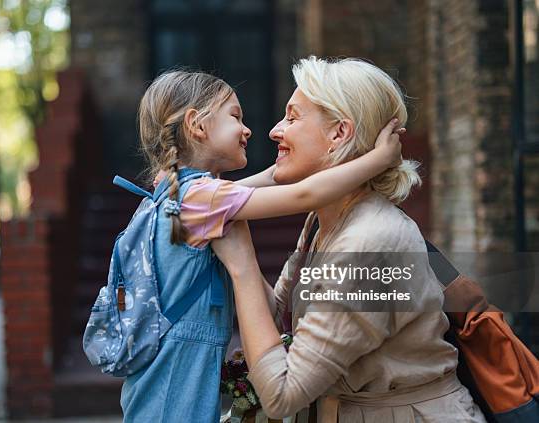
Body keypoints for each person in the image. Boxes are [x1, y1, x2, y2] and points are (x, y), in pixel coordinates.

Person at [211, 57, 487, 422]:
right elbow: (280, 318)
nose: (275, 130)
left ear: (339, 134)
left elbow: (282, 395)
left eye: (292, 118)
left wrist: (242, 265)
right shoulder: (324, 219)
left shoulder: (370, 241)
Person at [120, 69, 404, 422]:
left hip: (163, 370)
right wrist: (378, 159)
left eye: (292, 117)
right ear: (198, 125)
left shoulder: (178, 193)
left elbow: (270, 179)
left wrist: (296, 162)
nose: (254, 130)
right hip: (178, 370)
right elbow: (304, 193)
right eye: (236, 117)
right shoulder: (202, 197)